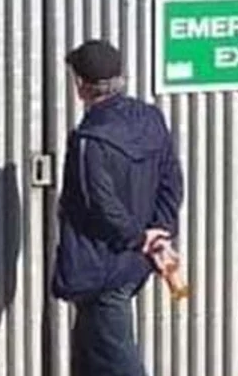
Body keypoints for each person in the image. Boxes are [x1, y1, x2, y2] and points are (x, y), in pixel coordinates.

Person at [51, 40, 184, 376]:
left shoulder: (89, 140)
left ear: (82, 86)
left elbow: (101, 204)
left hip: (101, 267)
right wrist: (159, 234)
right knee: (88, 357)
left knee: (117, 360)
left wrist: (139, 237)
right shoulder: (150, 118)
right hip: (134, 262)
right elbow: (172, 181)